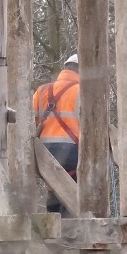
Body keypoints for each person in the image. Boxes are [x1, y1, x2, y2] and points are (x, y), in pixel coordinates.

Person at [33, 54, 80, 213]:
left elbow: (30, 121)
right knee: (75, 191)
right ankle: (72, 227)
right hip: (72, 152)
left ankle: (55, 222)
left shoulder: (42, 90)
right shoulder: (83, 91)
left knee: (54, 188)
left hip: (44, 151)